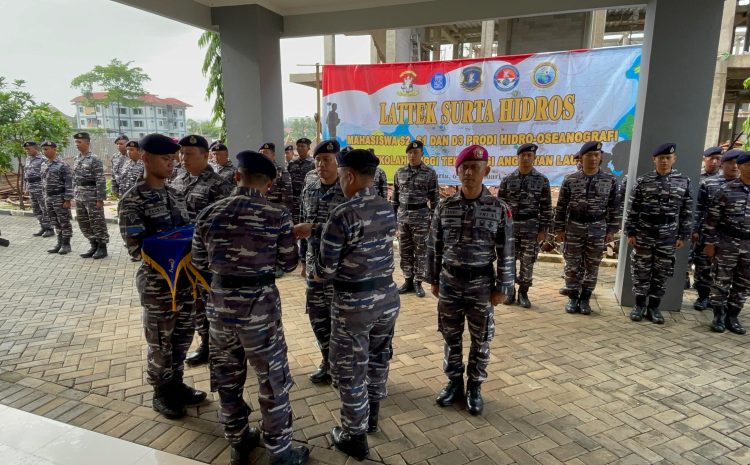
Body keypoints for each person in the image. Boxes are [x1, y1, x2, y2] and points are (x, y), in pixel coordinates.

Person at [192, 150, 308, 465]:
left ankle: (238, 441)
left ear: (236, 176)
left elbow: (200, 263)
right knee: (271, 378)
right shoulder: (277, 214)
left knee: (227, 378)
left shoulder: (209, 214)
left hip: (219, 310)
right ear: (268, 184)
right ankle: (280, 453)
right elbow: (288, 262)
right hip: (260, 311)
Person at [295, 149, 399, 460]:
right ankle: (373, 414)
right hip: (388, 298)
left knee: (351, 369)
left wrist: (313, 272)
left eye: (341, 176)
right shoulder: (386, 207)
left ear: (349, 176)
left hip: (354, 303)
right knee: (379, 358)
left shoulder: (343, 214)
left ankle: (354, 435)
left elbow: (324, 271)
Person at [118, 133, 207, 419]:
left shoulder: (175, 194)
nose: (172, 164)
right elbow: (135, 248)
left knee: (182, 337)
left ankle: (176, 383)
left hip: (184, 282)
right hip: (158, 286)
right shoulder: (133, 200)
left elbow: (189, 232)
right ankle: (160, 391)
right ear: (145, 158)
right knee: (160, 341)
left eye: (173, 159)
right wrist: (170, 243)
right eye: (165, 159)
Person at [427, 144, 514, 416]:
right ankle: (453, 382)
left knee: (481, 338)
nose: (468, 173)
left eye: (475, 168)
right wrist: (433, 279)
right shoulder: (445, 207)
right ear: (457, 171)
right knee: (451, 336)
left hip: (481, 285)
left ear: (486, 171)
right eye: (463, 167)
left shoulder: (499, 208)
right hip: (450, 282)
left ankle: (475, 386)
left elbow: (507, 250)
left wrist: (503, 286)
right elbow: (434, 246)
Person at [173, 134, 234, 367]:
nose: (183, 158)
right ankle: (205, 343)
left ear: (205, 155)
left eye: (188, 154)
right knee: (194, 303)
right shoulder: (178, 180)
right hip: (182, 257)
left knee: (212, 302)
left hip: (209, 258)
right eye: (181, 154)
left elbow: (226, 226)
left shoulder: (219, 185)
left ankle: (223, 346)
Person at [296, 140, 347, 384]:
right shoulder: (310, 188)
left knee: (340, 318)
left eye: (326, 160)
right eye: (318, 160)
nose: (321, 164)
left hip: (340, 270)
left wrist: (314, 229)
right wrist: (302, 259)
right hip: (313, 265)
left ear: (337, 162)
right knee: (317, 316)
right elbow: (301, 222)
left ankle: (341, 366)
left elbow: (351, 229)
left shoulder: (347, 191)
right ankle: (327, 360)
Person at [625, 143, 692, 324]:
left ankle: (654, 308)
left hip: (668, 235)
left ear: (674, 159)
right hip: (644, 232)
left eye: (668, 158)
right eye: (660, 158)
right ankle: (639, 306)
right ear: (654, 159)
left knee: (662, 272)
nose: (664, 161)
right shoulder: (643, 181)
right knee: (641, 270)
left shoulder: (683, 181)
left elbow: (686, 211)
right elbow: (633, 208)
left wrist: (682, 235)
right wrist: (630, 232)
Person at [554, 141, 621, 314]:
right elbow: (561, 206)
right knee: (572, 264)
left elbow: (614, 208)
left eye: (596, 155)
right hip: (574, 227)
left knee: (592, 264)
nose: (593, 158)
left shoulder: (611, 180)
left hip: (598, 227)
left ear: (601, 158)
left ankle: (585, 298)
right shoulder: (570, 179)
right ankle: (573, 297)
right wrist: (559, 229)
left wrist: (611, 230)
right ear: (581, 158)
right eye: (589, 155)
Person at [497, 143, 552, 308]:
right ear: (518, 158)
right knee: (509, 260)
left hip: (531, 226)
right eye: (523, 155)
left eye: (530, 155)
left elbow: (546, 207)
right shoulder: (507, 180)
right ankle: (510, 292)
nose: (526, 158)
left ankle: (524, 292)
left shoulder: (542, 180)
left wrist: (543, 230)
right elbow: (501, 207)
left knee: (528, 261)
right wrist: (500, 229)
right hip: (511, 227)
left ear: (534, 158)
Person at [703, 151, 750, 334]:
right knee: (721, 281)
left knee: (744, 283)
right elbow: (712, 219)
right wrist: (710, 243)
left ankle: (733, 316)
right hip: (727, 243)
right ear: (742, 166)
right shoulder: (726, 190)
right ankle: (718, 316)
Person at [691, 149, 741, 311]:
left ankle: (720, 300)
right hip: (709, 234)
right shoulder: (709, 183)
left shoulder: (744, 185)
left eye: (737, 163)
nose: (734, 167)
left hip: (734, 238)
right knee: (704, 266)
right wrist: (695, 230)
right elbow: (698, 210)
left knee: (728, 271)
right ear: (723, 164)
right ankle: (703, 296)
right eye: (730, 163)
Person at [392, 140, 439, 298]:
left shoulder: (430, 173)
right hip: (403, 217)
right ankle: (408, 280)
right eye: (410, 153)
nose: (412, 156)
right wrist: (394, 220)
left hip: (421, 216)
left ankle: (418, 282)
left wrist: (433, 222)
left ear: (422, 154)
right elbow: (395, 198)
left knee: (421, 251)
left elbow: (435, 200)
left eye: (416, 153)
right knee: (405, 250)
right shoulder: (400, 172)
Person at [72, 132, 110, 259]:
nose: (77, 144)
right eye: (76, 142)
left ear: (87, 143)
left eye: (79, 142)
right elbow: (75, 178)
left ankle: (102, 247)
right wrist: (74, 194)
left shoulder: (94, 159)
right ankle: (93, 244)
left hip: (92, 196)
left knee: (97, 221)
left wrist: (100, 198)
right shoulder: (76, 158)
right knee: (83, 222)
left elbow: (100, 179)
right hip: (80, 196)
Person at [40, 141, 73, 255]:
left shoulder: (62, 165)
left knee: (64, 221)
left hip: (59, 197)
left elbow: (68, 183)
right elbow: (43, 182)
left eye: (47, 149)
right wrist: (44, 197)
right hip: (48, 198)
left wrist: (67, 199)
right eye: (43, 149)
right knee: (55, 221)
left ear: (54, 149)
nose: (45, 151)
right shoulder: (44, 164)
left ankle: (66, 244)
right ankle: (59, 243)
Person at [23, 141, 53, 237]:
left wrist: (46, 187)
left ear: (35, 148)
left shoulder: (43, 159)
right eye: (26, 149)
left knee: (44, 208)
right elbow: (26, 174)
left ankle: (49, 228)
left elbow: (47, 174)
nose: (27, 151)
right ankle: (43, 227)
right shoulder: (28, 159)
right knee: (36, 209)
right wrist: (26, 187)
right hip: (31, 187)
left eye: (29, 149)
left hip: (40, 187)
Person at [287, 137, 316, 224]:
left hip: (307, 197)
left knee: (305, 219)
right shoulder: (292, 163)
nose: (300, 148)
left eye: (302, 146)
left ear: (308, 148)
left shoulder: (313, 163)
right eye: (298, 146)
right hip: (293, 197)